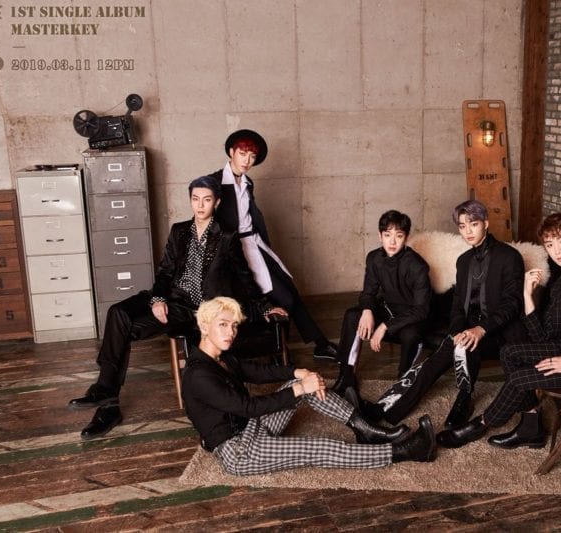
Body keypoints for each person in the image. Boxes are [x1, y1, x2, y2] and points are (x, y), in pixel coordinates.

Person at [68, 175, 284, 440]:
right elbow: (165, 272)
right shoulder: (179, 231)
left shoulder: (227, 236)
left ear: (216, 202)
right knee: (118, 315)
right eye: (195, 199)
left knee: (122, 331)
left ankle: (108, 401)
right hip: (175, 303)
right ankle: (106, 393)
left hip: (202, 311)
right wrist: (158, 299)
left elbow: (244, 275)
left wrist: (265, 306)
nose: (200, 205)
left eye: (206, 200)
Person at [435, 212, 561, 449]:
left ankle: (481, 424)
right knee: (509, 352)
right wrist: (527, 296)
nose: (557, 251)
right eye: (550, 245)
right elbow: (545, 337)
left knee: (519, 378)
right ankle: (531, 425)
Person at [181, 296, 436, 475]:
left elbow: (258, 372)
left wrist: (297, 373)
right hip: (239, 451)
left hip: (249, 429)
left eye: (234, 325)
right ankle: (406, 452)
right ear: (204, 326)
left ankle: (365, 429)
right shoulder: (198, 375)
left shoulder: (221, 357)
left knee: (301, 382)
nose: (231, 332)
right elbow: (248, 407)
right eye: (223, 325)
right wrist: (299, 389)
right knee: (319, 448)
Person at [353, 200, 526, 429]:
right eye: (462, 226)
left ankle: (464, 399)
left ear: (485, 223)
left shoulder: (509, 256)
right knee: (430, 364)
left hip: (499, 332)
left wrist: (480, 329)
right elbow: (457, 304)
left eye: (473, 224)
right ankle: (385, 407)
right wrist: (456, 330)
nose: (468, 231)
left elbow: (513, 304)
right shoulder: (463, 261)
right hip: (468, 329)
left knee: (464, 349)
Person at [210, 129, 337, 360]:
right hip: (233, 251)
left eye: (252, 156)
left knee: (288, 290)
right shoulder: (215, 182)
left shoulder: (247, 182)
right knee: (282, 297)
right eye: (242, 154)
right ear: (231, 152)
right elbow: (207, 221)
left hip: (255, 245)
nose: (247, 161)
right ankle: (284, 349)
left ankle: (315, 345)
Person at [331, 210, 432, 395]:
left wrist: (385, 326)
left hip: (412, 318)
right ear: (380, 236)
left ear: (406, 237)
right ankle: (346, 377)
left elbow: (421, 310)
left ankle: (402, 384)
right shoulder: (374, 258)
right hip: (389, 309)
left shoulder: (417, 266)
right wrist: (367, 310)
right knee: (353, 315)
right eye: (387, 235)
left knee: (410, 335)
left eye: (398, 236)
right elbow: (368, 293)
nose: (392, 242)